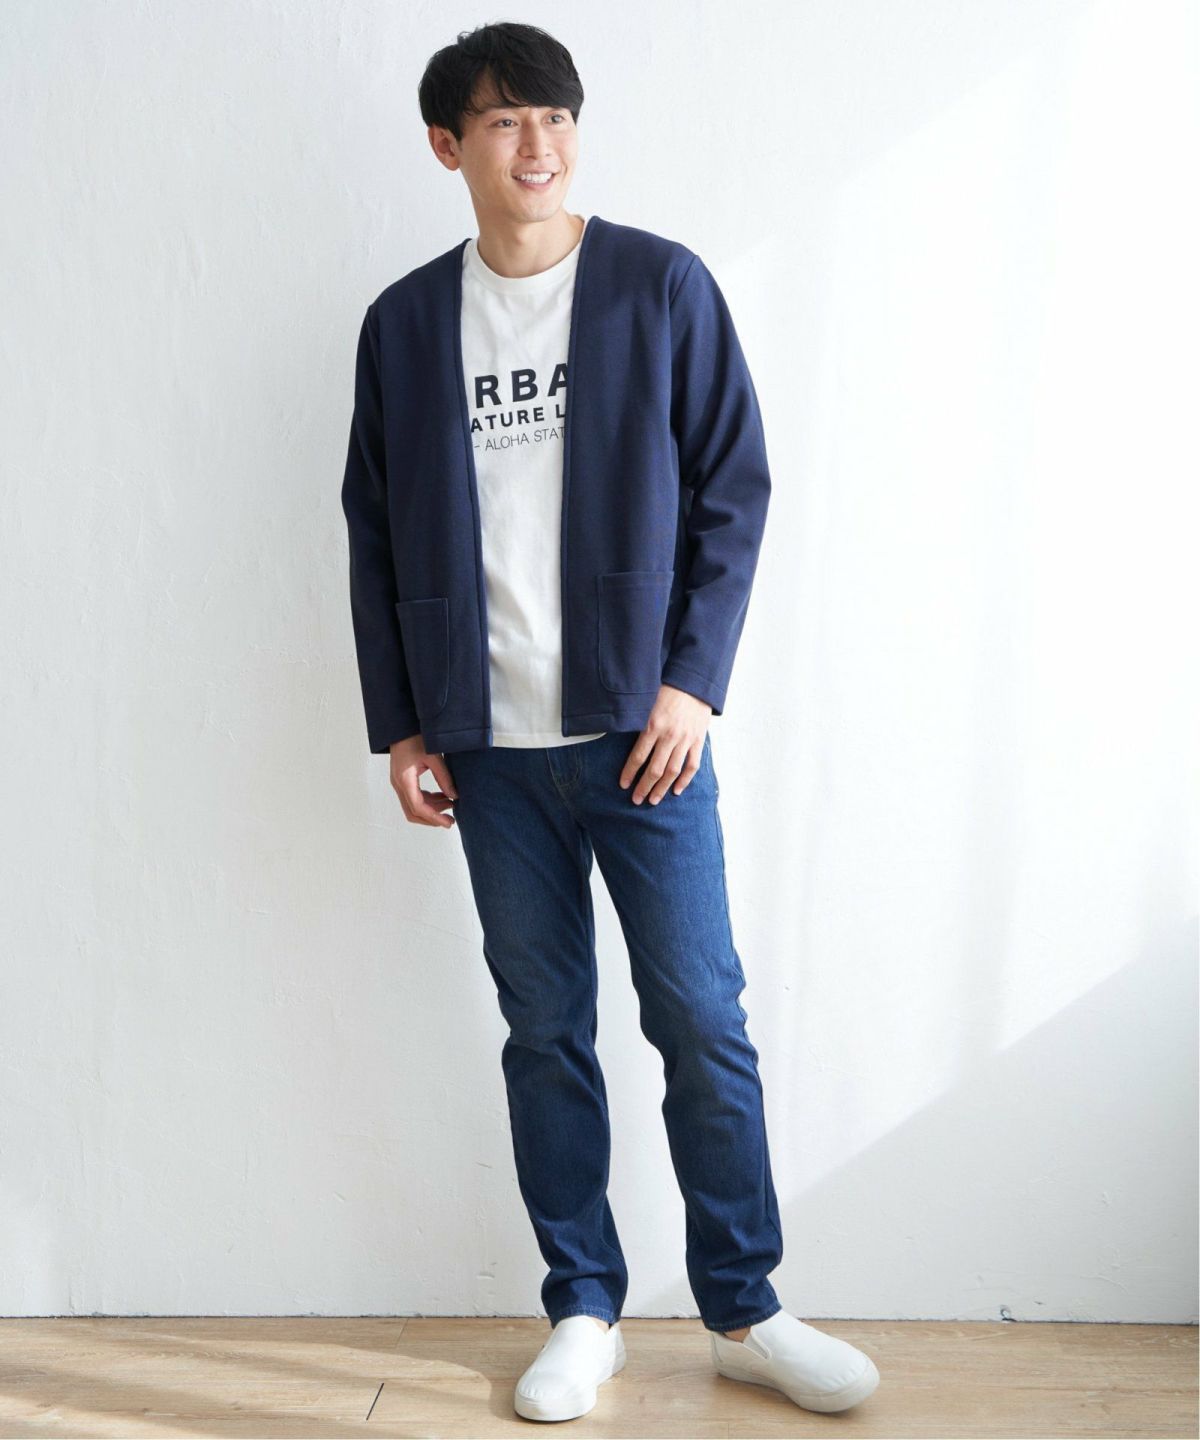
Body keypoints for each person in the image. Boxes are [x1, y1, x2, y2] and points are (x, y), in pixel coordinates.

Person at [340, 19, 881, 1424]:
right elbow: (373, 528)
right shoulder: (406, 324)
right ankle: (584, 1306)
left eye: (558, 118)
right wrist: (403, 723)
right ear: (449, 145)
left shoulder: (657, 285)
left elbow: (734, 488)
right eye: (505, 121)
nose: (540, 146)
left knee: (701, 1017)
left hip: (647, 739)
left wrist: (692, 684)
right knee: (546, 1032)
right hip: (487, 750)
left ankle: (746, 1306)